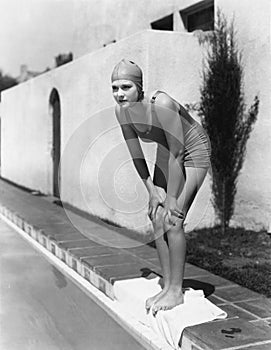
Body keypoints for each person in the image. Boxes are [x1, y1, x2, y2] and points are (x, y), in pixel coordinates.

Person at [111, 59, 211, 316]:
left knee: (173, 218)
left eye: (126, 86)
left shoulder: (161, 104)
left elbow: (179, 153)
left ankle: (176, 291)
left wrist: (173, 198)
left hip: (192, 151)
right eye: (115, 88)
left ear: (139, 88)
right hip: (168, 152)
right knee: (156, 215)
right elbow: (136, 155)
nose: (120, 93)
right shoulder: (121, 112)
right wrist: (152, 192)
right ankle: (167, 287)